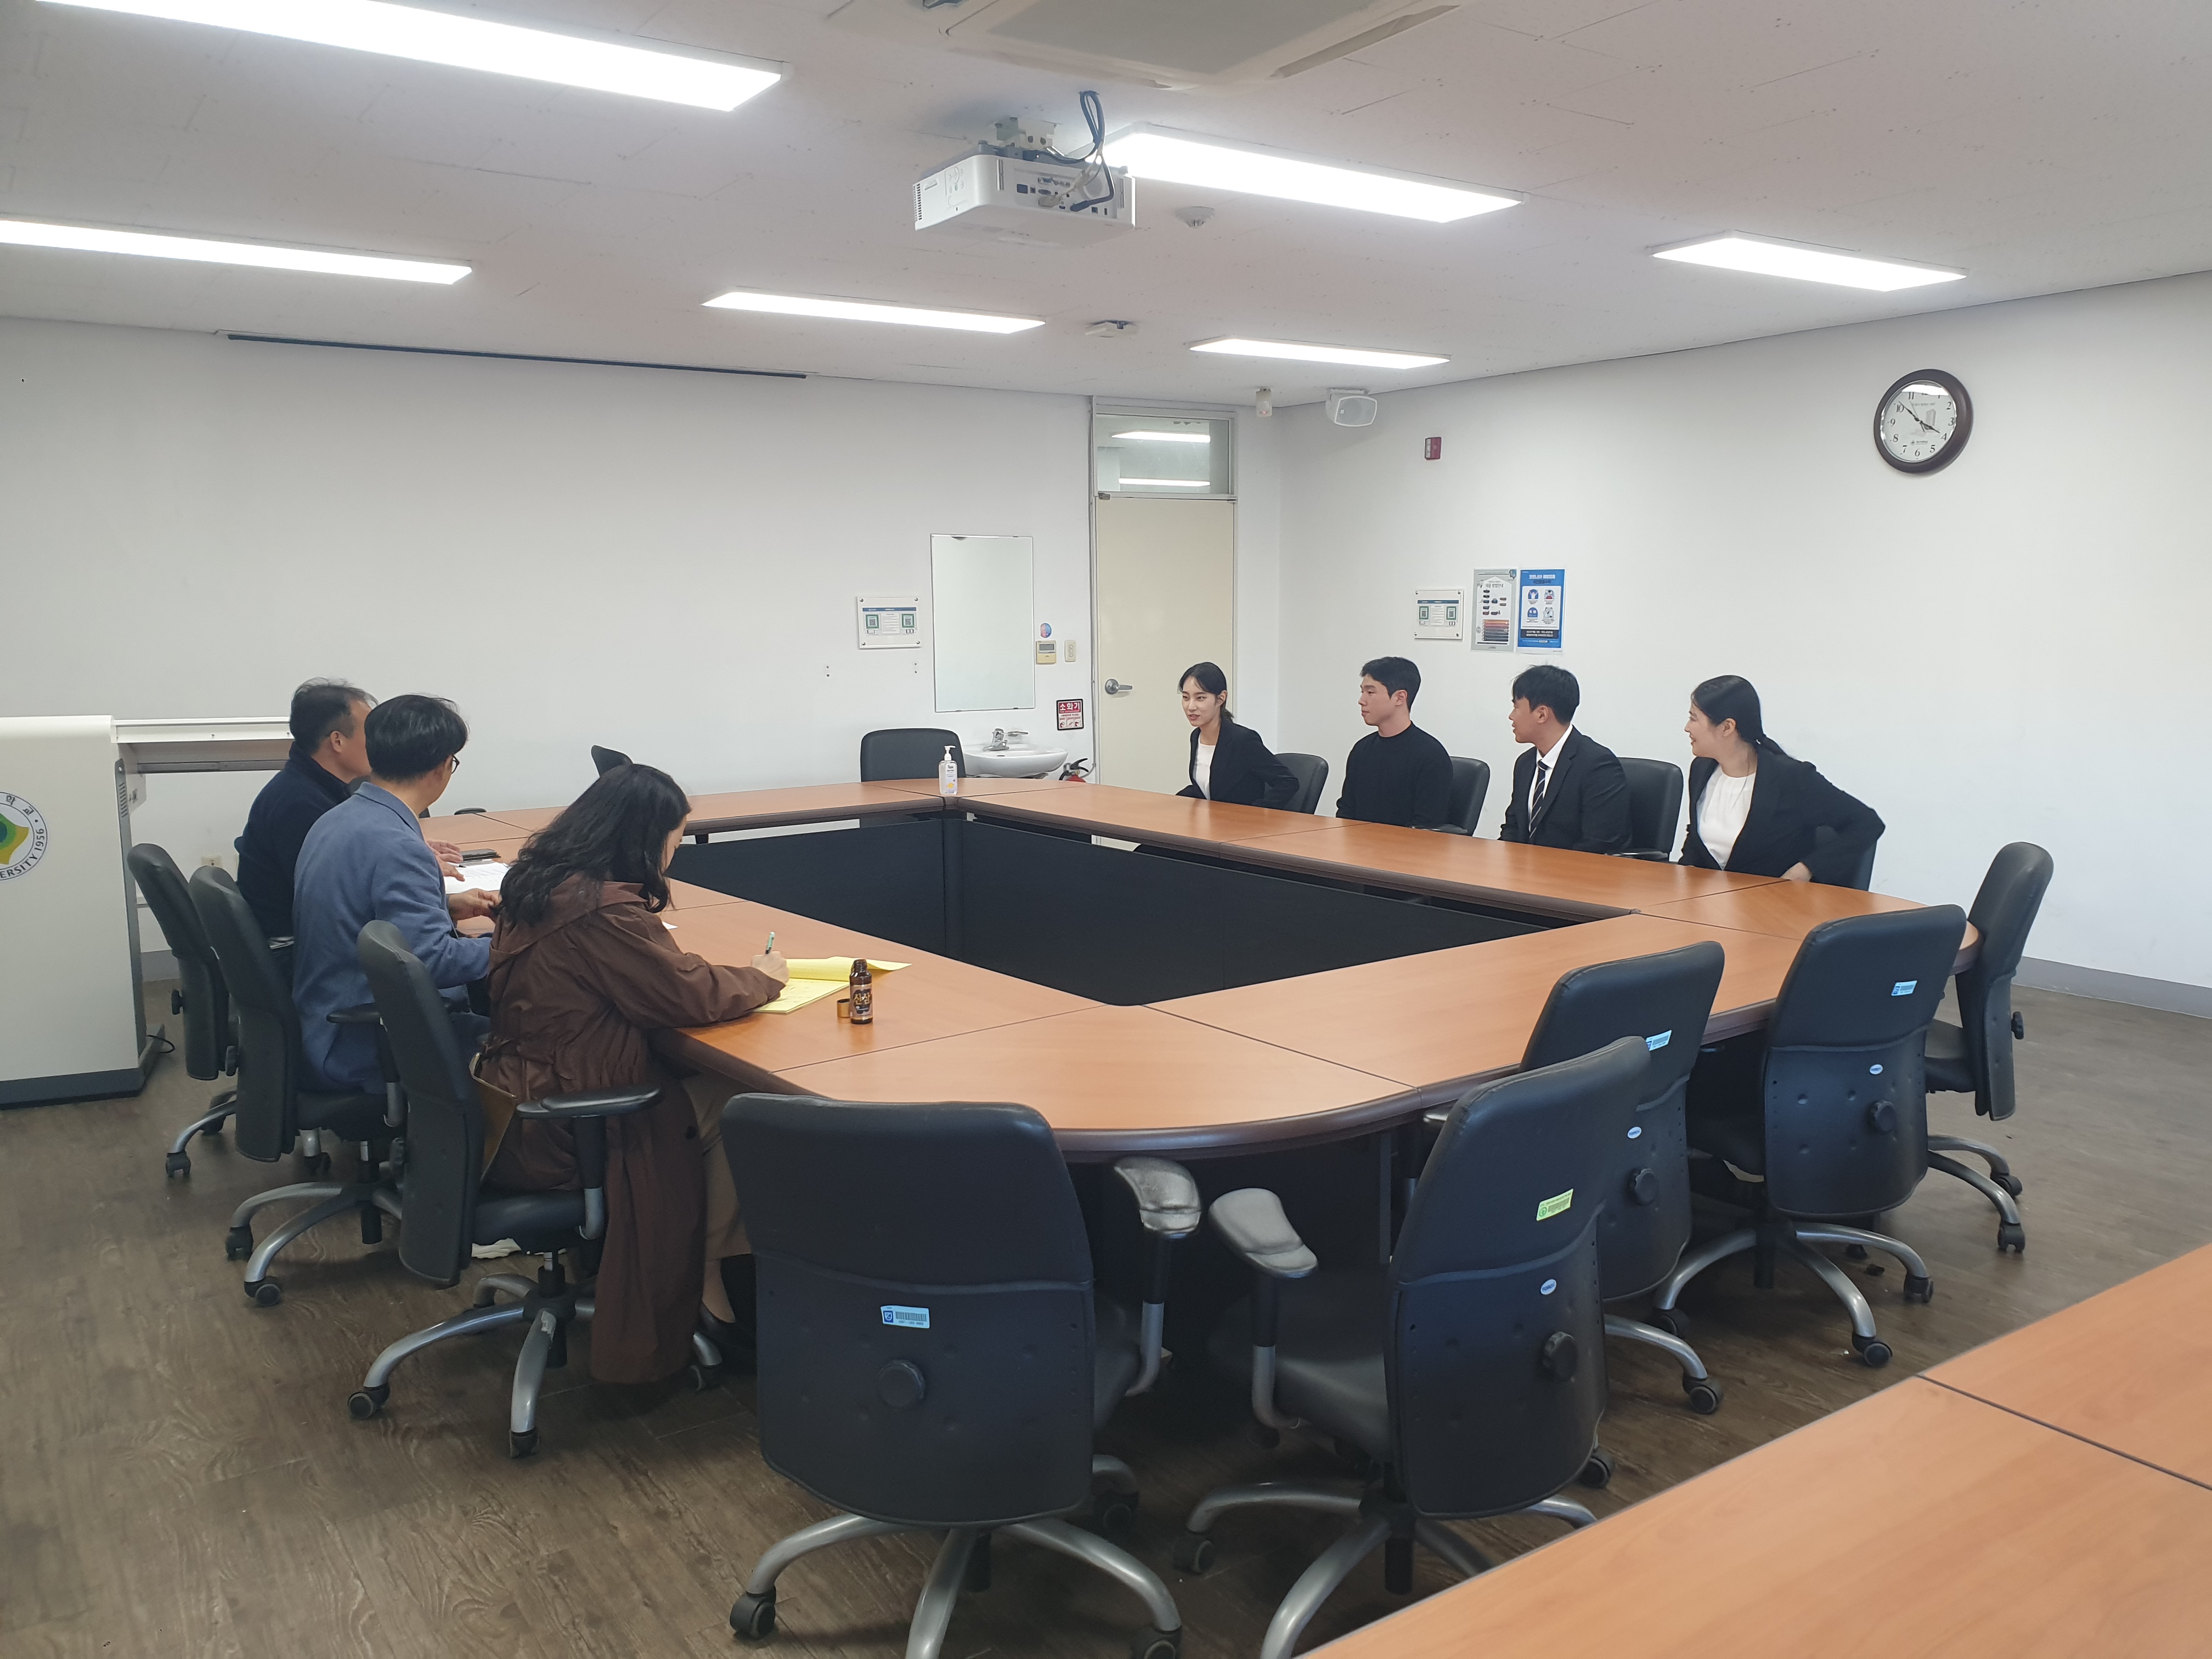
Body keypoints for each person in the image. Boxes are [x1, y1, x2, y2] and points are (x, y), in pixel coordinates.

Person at [480, 763, 789, 1385]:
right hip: (567, 1120)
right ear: (644, 839)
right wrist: (764, 977)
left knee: (708, 1089)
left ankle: (706, 1269)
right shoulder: (600, 913)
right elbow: (687, 994)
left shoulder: (539, 885)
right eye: (675, 838)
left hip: (511, 1096)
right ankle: (705, 1278)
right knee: (742, 1104)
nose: (674, 853)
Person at [292, 695, 499, 1093]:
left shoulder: (336, 818)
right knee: (547, 1048)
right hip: (371, 1042)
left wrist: (446, 906)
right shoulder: (399, 846)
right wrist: (516, 944)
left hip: (325, 1019)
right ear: (442, 766)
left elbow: (362, 913)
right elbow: (432, 962)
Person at [1678, 675, 1883, 883]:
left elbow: (1867, 823)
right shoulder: (1702, 769)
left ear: (1727, 727)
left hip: (1768, 899)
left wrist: (1807, 869)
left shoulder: (1792, 778)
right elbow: (1696, 839)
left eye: (1694, 719)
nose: (1687, 728)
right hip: (1706, 896)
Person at [1496, 664, 1631, 854]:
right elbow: (1514, 828)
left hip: (1574, 870)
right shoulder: (1525, 763)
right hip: (1526, 869)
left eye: (1516, 707)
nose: (1511, 716)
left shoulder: (1598, 766)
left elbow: (1599, 844)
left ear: (1542, 714)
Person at [1335, 657, 1453, 828]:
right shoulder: (1362, 749)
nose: (1362, 701)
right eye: (1362, 692)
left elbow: (1426, 826)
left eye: (1370, 693)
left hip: (1405, 844)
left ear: (1399, 698)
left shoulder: (1431, 756)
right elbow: (1346, 811)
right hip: (1358, 841)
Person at [1175, 661, 1297, 809]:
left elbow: (1287, 783)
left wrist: (1255, 813)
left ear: (1221, 699)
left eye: (1200, 698)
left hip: (1240, 821)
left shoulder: (1243, 740)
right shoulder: (1196, 737)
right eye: (1186, 698)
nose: (1191, 707)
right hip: (1212, 819)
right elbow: (1207, 789)